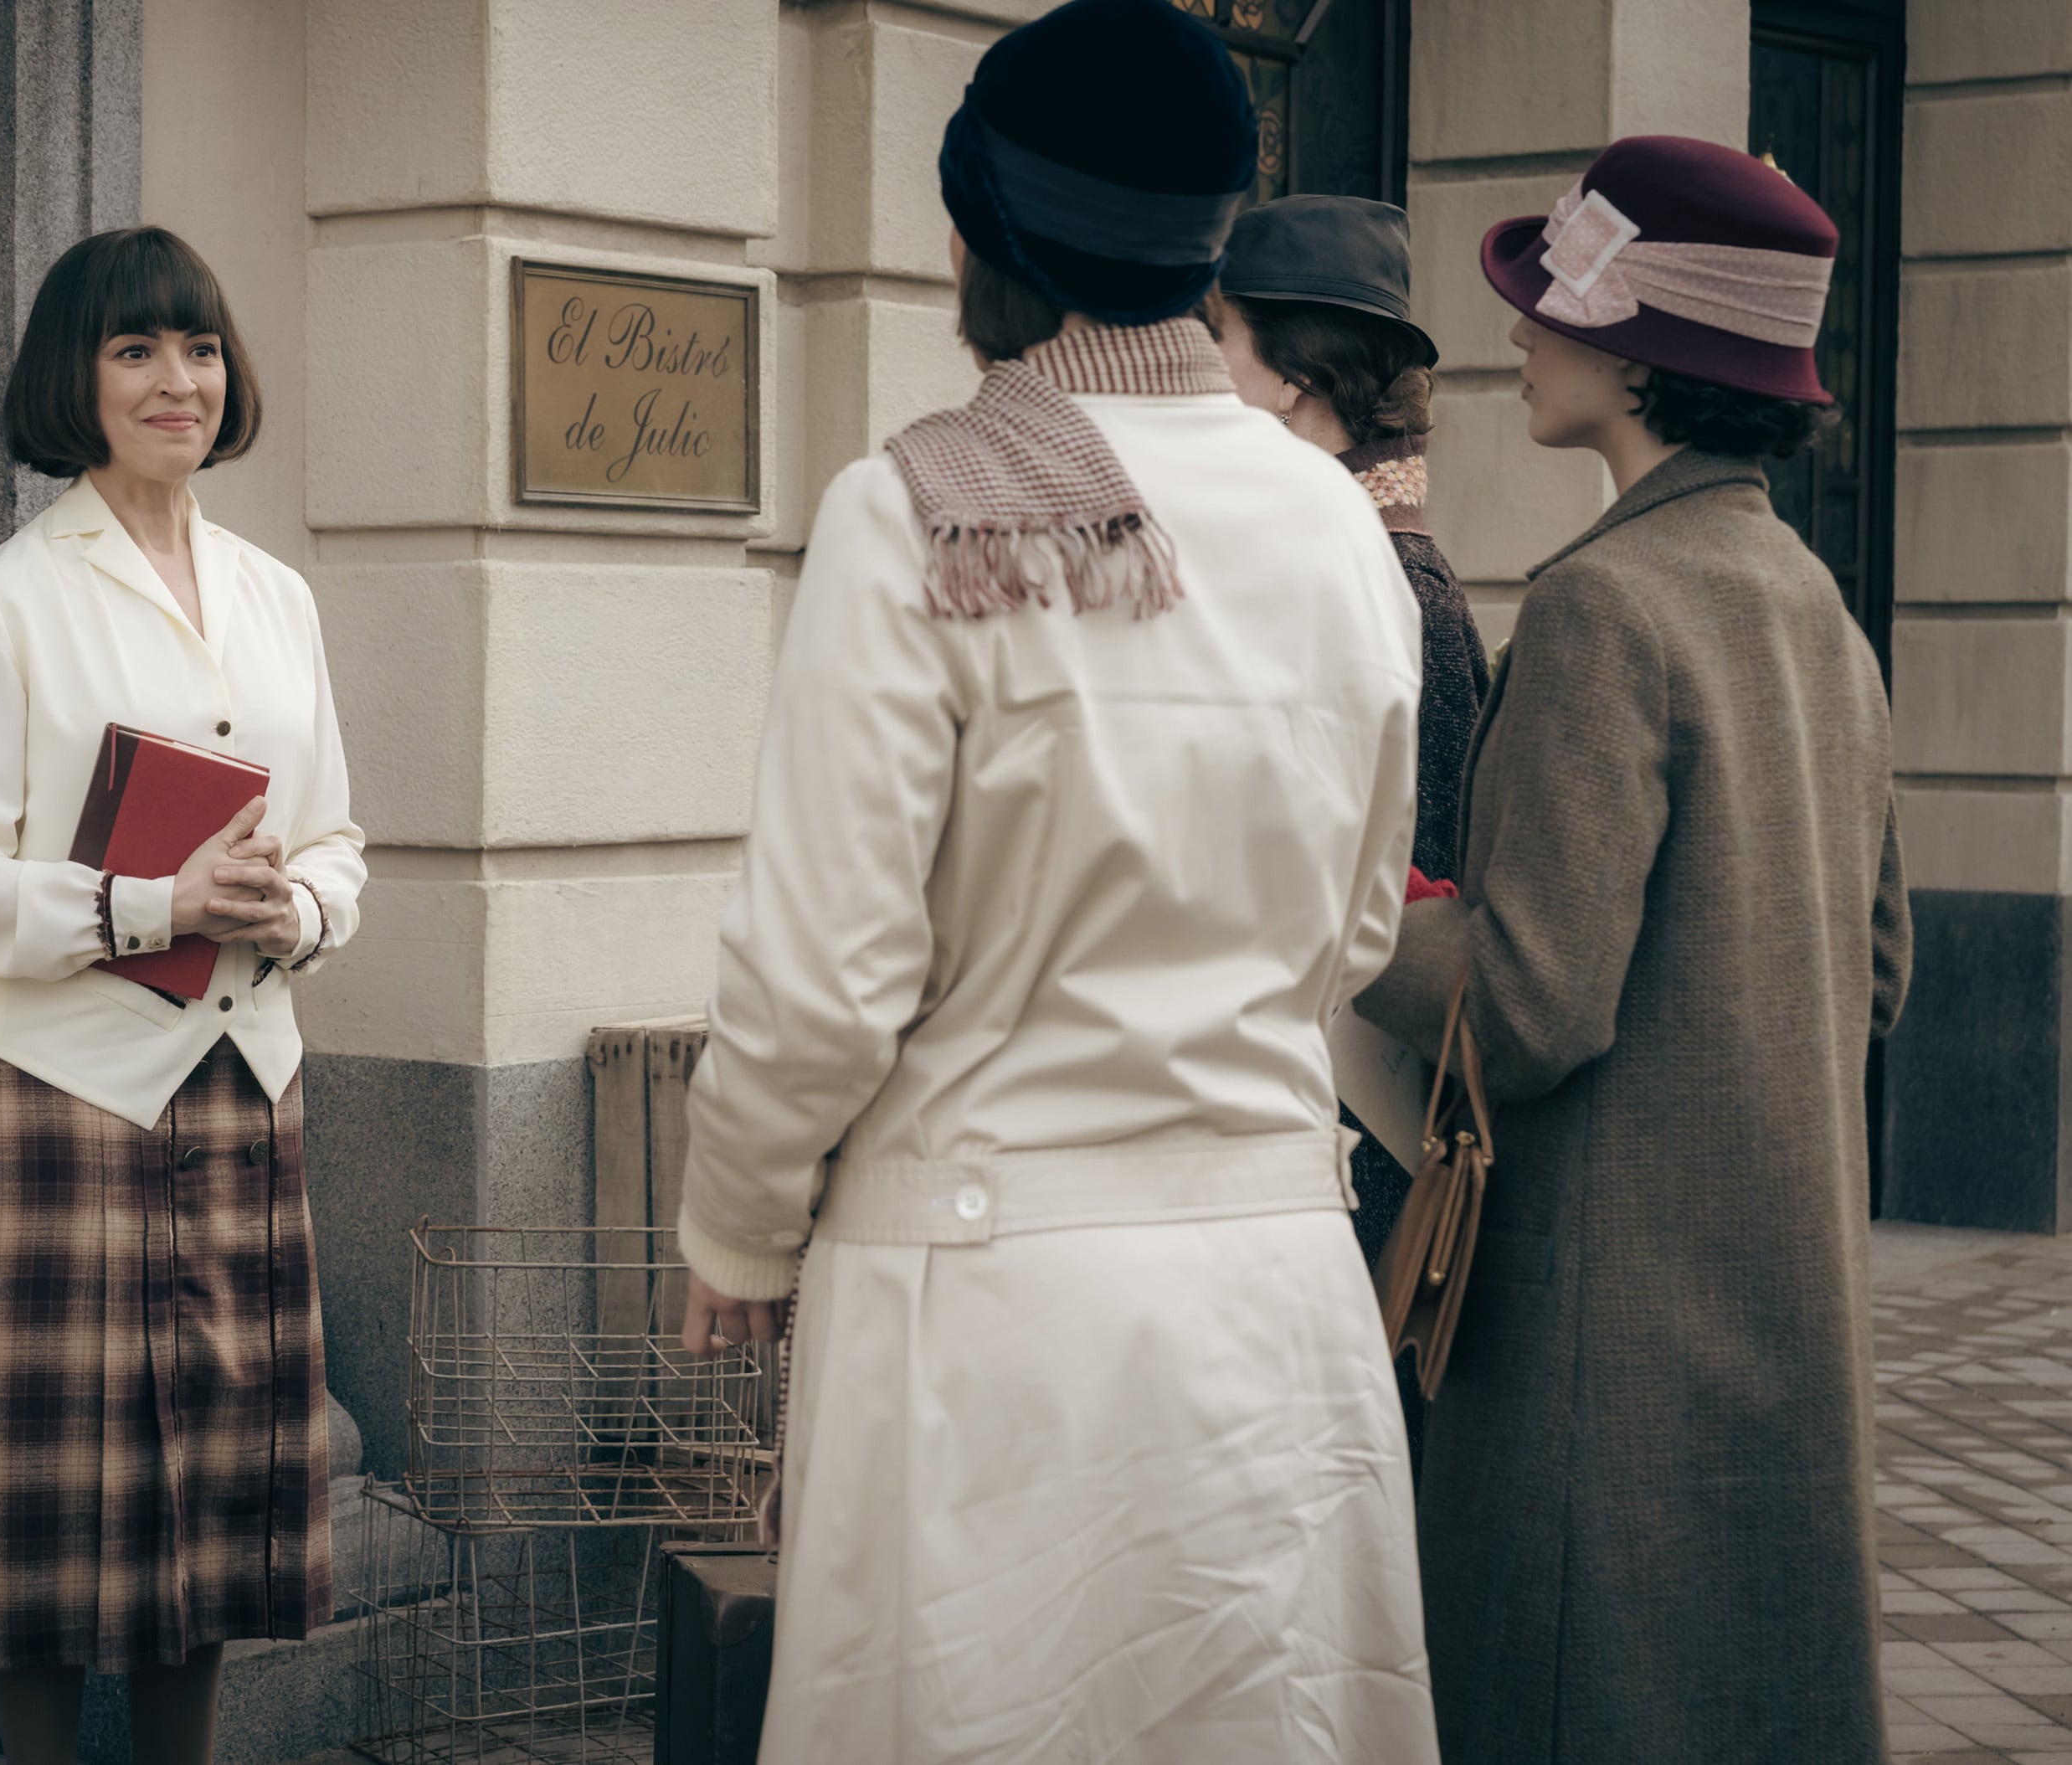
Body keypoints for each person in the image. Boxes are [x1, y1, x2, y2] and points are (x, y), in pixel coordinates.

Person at [674, 3, 1437, 1758]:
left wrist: (734, 1221)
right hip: (1269, 1283)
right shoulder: (1335, 520)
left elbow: (821, 970)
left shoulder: (914, 509)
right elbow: (1357, 927)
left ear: (981, 235)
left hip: (984, 1287)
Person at [1350, 136, 1911, 1764]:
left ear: (1640, 349)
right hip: (1774, 1311)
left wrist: (1348, 901)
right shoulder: (1810, 603)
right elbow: (1873, 972)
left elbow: (1522, 1004)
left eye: (1549, 304)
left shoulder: (1604, 605)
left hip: (1593, 1336)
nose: (1513, 330)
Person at [0, 225, 364, 1765]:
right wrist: (152, 904)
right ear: (74, 380)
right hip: (66, 1093)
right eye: (136, 351)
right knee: (48, 1506)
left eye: (202, 349)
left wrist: (292, 905)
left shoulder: (276, 593)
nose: (180, 381)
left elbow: (341, 841)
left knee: (226, 1492)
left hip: (246, 1080)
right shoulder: (3, 596)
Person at [1215, 193, 1490, 1453]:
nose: (1199, 365)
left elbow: (1410, 892)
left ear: (1294, 382)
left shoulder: (1398, 595)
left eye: (1221, 335)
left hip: (1357, 1139)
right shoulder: (1346, 560)